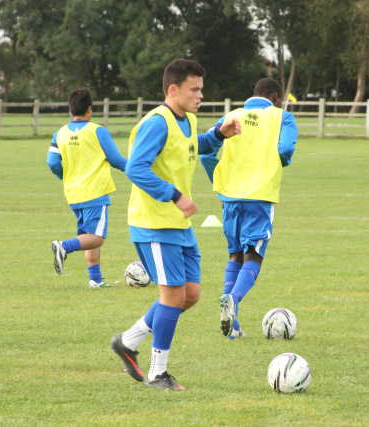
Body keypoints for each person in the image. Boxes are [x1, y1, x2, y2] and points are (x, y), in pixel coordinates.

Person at [110, 58, 240, 391]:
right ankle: (157, 373)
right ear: (173, 89)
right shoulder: (157, 122)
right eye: (194, 89)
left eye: (201, 89)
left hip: (178, 226)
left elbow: (193, 147)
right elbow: (136, 169)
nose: (200, 95)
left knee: (190, 295)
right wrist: (175, 195)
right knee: (171, 296)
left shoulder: (188, 120)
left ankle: (128, 341)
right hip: (154, 223)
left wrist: (217, 135)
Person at [199, 78, 298, 338]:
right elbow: (286, 148)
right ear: (277, 98)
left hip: (229, 197)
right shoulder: (282, 117)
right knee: (254, 255)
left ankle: (234, 327)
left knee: (235, 255)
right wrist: (280, 161)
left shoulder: (231, 115)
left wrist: (218, 181)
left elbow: (206, 153)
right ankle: (233, 299)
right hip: (260, 196)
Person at [47, 88, 127, 288]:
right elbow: (116, 160)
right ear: (90, 110)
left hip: (73, 193)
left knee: (87, 236)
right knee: (96, 238)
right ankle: (64, 246)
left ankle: (95, 279)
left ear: (70, 109)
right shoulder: (97, 131)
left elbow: (52, 163)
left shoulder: (59, 134)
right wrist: (138, 170)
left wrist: (67, 177)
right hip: (95, 191)